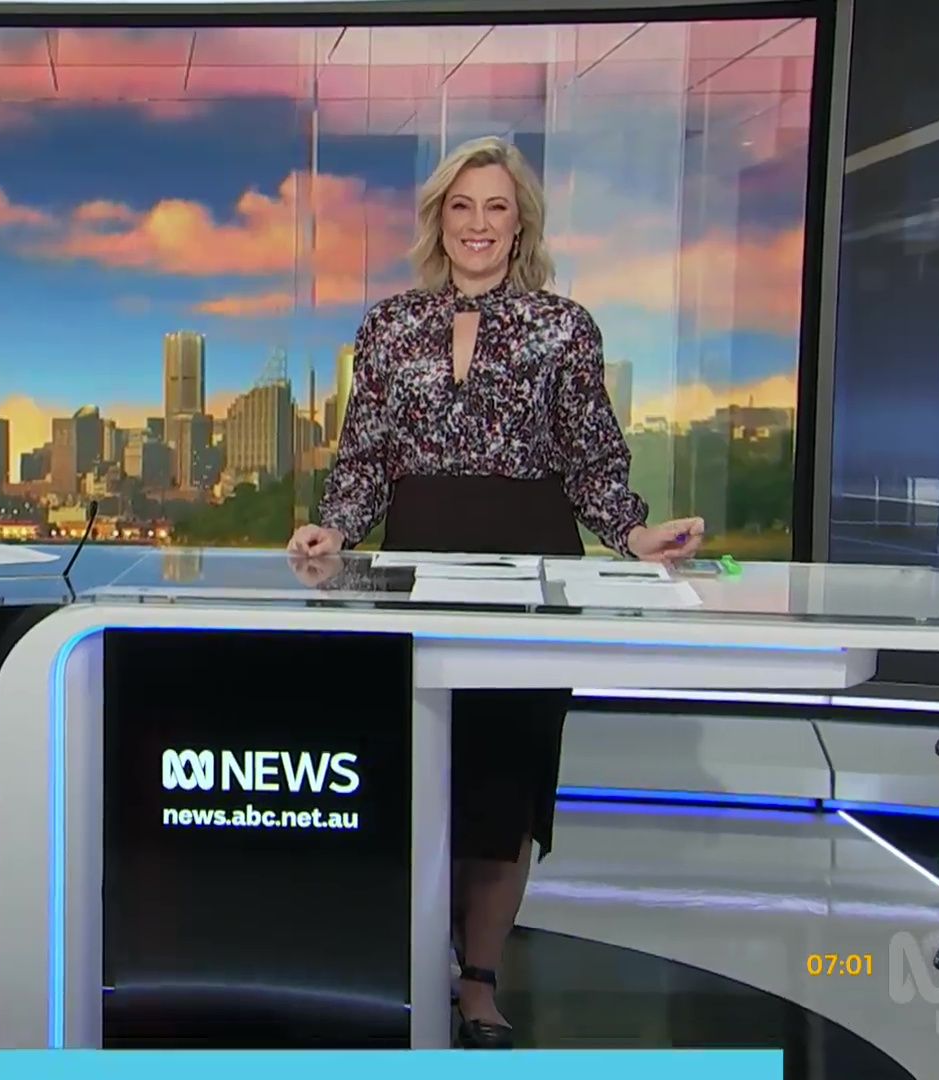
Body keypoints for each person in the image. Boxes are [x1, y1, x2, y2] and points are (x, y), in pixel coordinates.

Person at [286, 135, 704, 1049]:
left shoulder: (564, 326)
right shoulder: (390, 325)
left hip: (529, 560)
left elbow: (591, 457)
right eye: (462, 206)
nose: (478, 224)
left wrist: (633, 532)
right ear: (440, 220)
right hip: (418, 560)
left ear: (522, 225)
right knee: (422, 770)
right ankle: (410, 963)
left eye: (497, 207)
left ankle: (478, 983)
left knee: (505, 783)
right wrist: (335, 530)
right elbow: (364, 456)